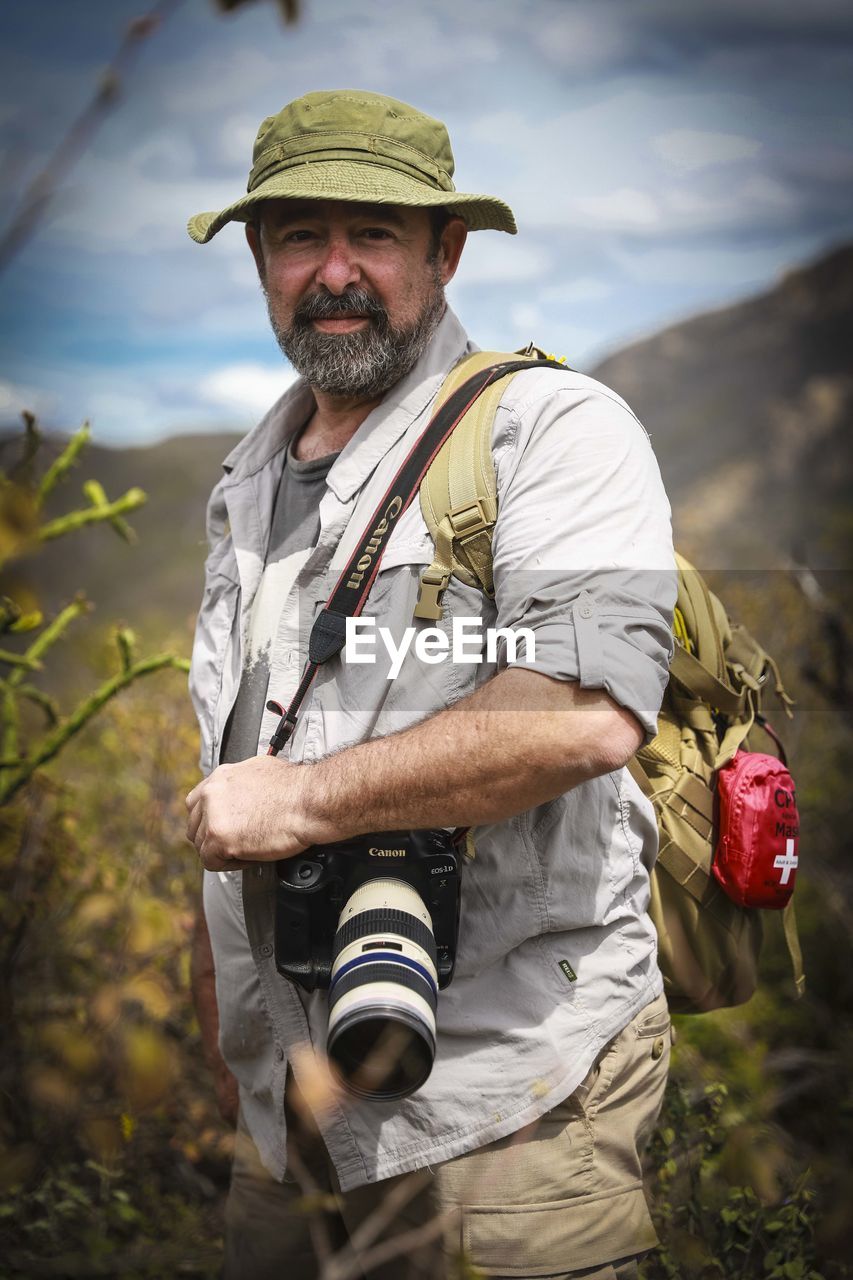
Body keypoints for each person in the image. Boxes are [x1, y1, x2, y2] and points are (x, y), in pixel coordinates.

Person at [185, 89, 677, 1280]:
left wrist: (301, 805)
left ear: (446, 252)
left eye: (378, 236)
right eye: (302, 235)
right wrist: (229, 1034)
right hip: (287, 1116)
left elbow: (585, 711)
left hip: (508, 1105)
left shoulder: (553, 430)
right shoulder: (246, 480)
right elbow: (230, 761)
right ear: (261, 256)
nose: (336, 270)